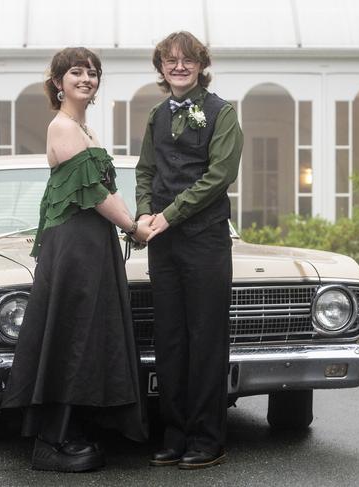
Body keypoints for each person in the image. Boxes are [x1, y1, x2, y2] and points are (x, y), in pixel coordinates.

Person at [1, 47, 150, 473]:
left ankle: (74, 430)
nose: (86, 79)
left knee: (88, 333)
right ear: (58, 82)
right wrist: (132, 227)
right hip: (74, 245)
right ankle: (51, 442)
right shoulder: (62, 127)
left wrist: (133, 221)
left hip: (92, 242)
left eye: (93, 73)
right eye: (76, 73)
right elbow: (94, 195)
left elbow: (108, 188)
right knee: (72, 332)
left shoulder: (86, 129)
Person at [135, 31, 243, 469]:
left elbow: (219, 176)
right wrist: (144, 214)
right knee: (171, 340)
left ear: (201, 65)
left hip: (205, 240)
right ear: (161, 67)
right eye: (170, 61)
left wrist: (169, 214)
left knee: (205, 339)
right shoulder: (157, 115)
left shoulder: (222, 113)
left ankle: (208, 438)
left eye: (188, 60)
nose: (179, 67)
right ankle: (175, 434)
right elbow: (145, 171)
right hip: (163, 242)